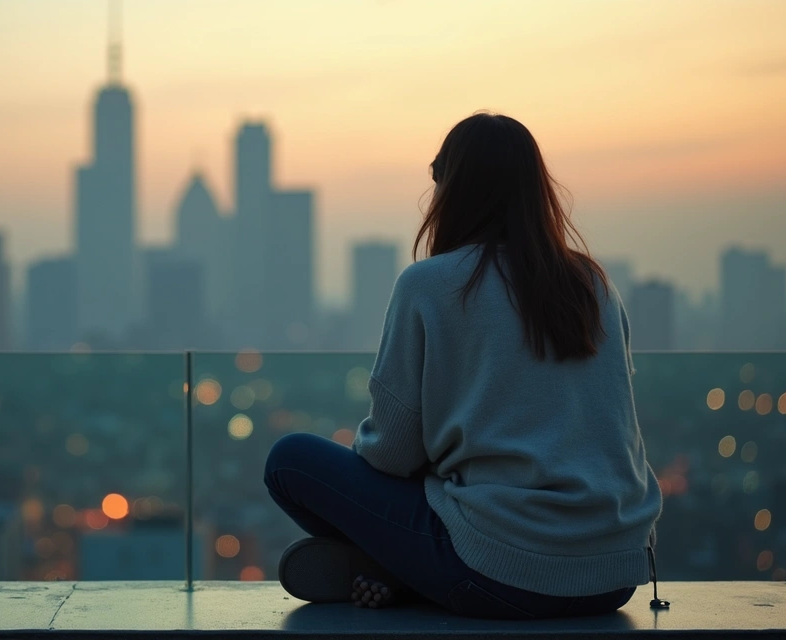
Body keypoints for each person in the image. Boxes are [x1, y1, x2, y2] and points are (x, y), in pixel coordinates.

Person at [264, 112, 663, 619]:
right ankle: (408, 568)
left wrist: (435, 458)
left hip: (502, 572)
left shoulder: (430, 284)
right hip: (614, 576)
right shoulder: (594, 286)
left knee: (290, 460)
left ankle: (395, 566)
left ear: (451, 190)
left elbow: (391, 453)